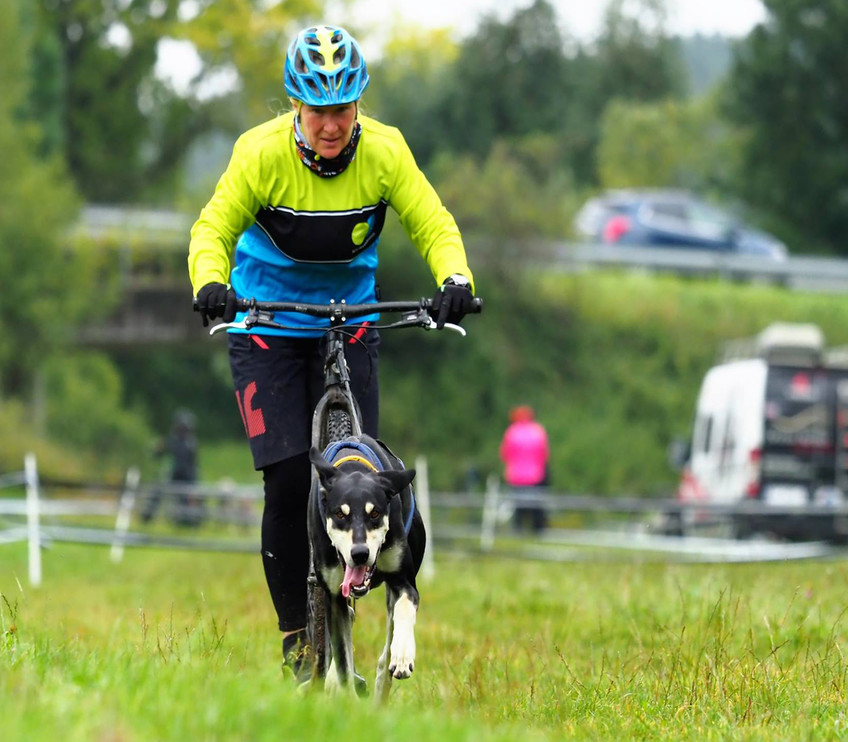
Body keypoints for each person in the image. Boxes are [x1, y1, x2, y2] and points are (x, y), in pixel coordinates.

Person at [187, 25, 476, 681]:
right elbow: (212, 227)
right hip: (267, 319)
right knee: (290, 479)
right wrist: (211, 282)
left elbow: (433, 222)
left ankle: (359, 596)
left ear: (359, 104)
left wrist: (455, 281)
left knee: (358, 480)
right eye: (318, 110)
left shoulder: (386, 153)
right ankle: (299, 639)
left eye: (343, 108)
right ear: (295, 105)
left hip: (350, 317)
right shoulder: (259, 154)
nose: (331, 124)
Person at [142, 409, 203, 526]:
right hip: (174, 475)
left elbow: (191, 464)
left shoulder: (191, 443)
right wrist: (157, 449)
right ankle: (147, 515)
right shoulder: (173, 440)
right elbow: (159, 453)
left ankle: (190, 520)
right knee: (158, 490)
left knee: (190, 496)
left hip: (187, 477)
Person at [499, 405, 550, 533]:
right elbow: (545, 454)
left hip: (516, 476)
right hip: (536, 475)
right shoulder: (538, 431)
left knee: (518, 506)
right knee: (536, 505)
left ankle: (518, 531)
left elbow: (505, 454)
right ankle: (538, 530)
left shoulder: (511, 432)